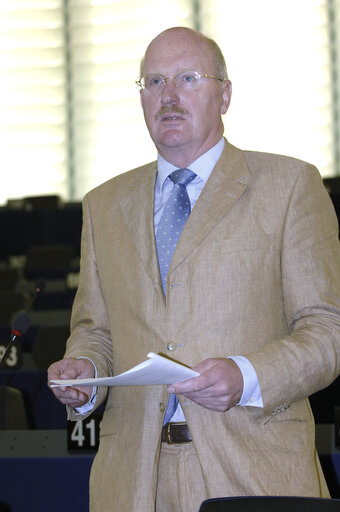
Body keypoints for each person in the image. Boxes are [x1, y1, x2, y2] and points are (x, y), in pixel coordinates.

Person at [48, 26, 340, 512]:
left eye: (187, 78)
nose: (168, 96)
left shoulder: (290, 186)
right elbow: (95, 330)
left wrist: (245, 376)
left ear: (224, 94)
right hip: (133, 481)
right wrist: (86, 371)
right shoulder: (103, 204)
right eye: (154, 82)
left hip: (254, 472)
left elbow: (329, 330)